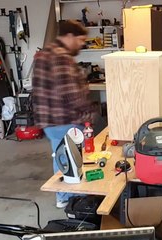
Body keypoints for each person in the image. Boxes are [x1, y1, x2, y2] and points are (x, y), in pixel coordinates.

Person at [32, 20, 102, 208]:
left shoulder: (44, 54)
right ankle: (71, 200)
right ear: (69, 36)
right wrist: (92, 111)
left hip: (50, 121)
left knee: (61, 156)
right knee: (71, 159)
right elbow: (72, 95)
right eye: (80, 39)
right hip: (65, 120)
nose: (82, 44)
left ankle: (64, 196)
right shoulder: (61, 58)